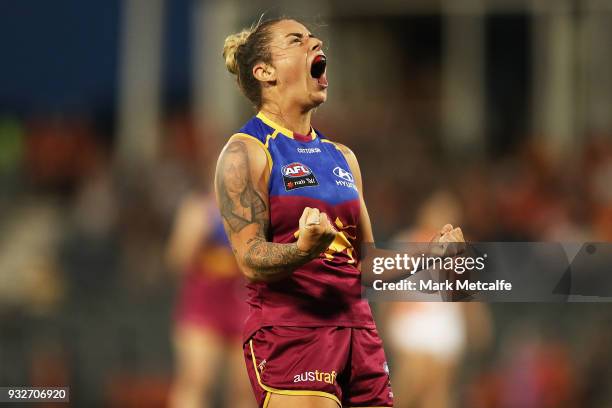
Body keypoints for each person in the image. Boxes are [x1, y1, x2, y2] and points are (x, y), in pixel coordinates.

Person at [215, 17, 465, 408]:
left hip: (359, 334)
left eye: (314, 39)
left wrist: (429, 257)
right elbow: (248, 258)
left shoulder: (343, 158)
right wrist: (303, 249)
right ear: (264, 72)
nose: (314, 44)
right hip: (293, 332)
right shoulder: (245, 152)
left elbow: (364, 265)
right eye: (296, 41)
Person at [166, 191, 253, 408]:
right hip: (203, 303)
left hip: (243, 299)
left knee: (245, 388)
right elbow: (175, 260)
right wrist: (192, 236)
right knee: (196, 380)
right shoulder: (197, 208)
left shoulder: (257, 211)